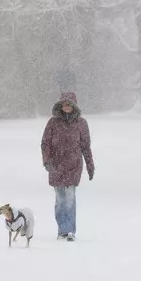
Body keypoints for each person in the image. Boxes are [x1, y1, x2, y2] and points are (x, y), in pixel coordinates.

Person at [41, 91, 94, 241]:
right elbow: (45, 144)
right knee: (60, 200)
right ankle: (61, 230)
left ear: (74, 106)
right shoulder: (52, 123)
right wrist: (47, 161)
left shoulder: (82, 124)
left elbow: (86, 147)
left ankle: (69, 231)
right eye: (65, 104)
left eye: (70, 104)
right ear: (60, 105)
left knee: (70, 198)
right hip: (56, 166)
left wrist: (90, 166)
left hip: (73, 166)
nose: (67, 107)